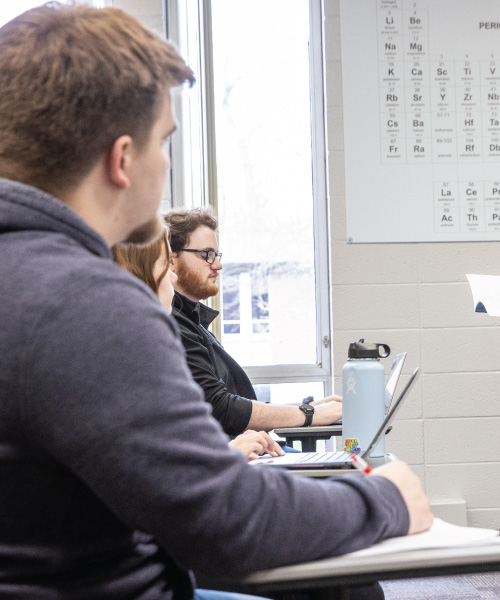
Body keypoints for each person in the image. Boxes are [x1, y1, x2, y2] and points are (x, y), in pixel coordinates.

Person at [0, 5, 432, 600]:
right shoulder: (86, 304)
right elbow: (230, 524)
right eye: (164, 142)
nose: (167, 164)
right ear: (122, 160)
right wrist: (384, 500)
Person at [164, 208, 342, 437]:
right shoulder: (174, 324)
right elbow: (220, 409)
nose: (217, 265)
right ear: (171, 260)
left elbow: (237, 405)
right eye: (206, 254)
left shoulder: (192, 322)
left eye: (217, 255)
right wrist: (309, 415)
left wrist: (306, 409)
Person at [113, 231, 283, 461]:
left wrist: (227, 450)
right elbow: (147, 464)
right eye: (166, 266)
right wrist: (226, 454)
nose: (172, 277)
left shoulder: (140, 346)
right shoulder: (137, 355)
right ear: (141, 278)